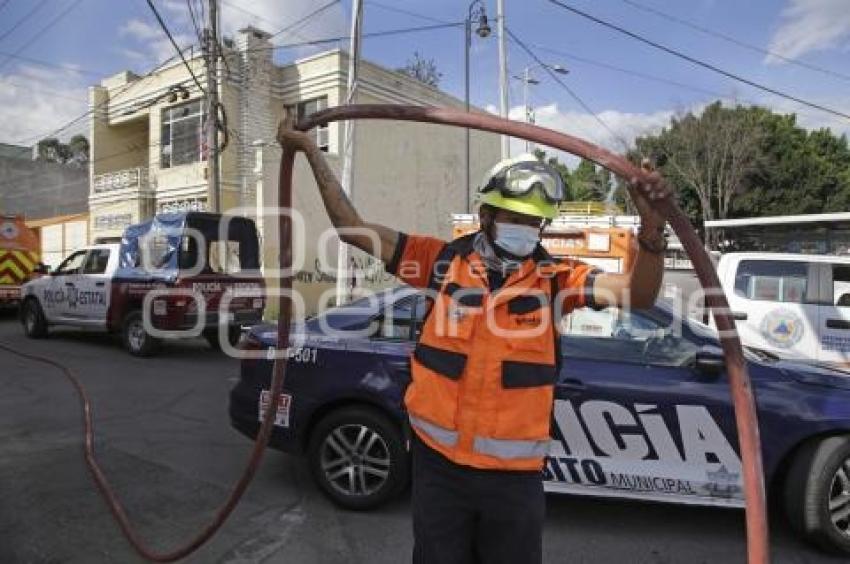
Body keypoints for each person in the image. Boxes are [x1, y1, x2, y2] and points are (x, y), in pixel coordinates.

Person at [278, 114, 669, 564]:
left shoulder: (557, 280)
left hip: (513, 481)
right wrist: (311, 151)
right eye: (515, 217)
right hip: (438, 471)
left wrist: (652, 233)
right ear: (486, 215)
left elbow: (636, 295)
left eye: (535, 222)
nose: (526, 229)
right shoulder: (438, 263)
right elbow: (351, 226)